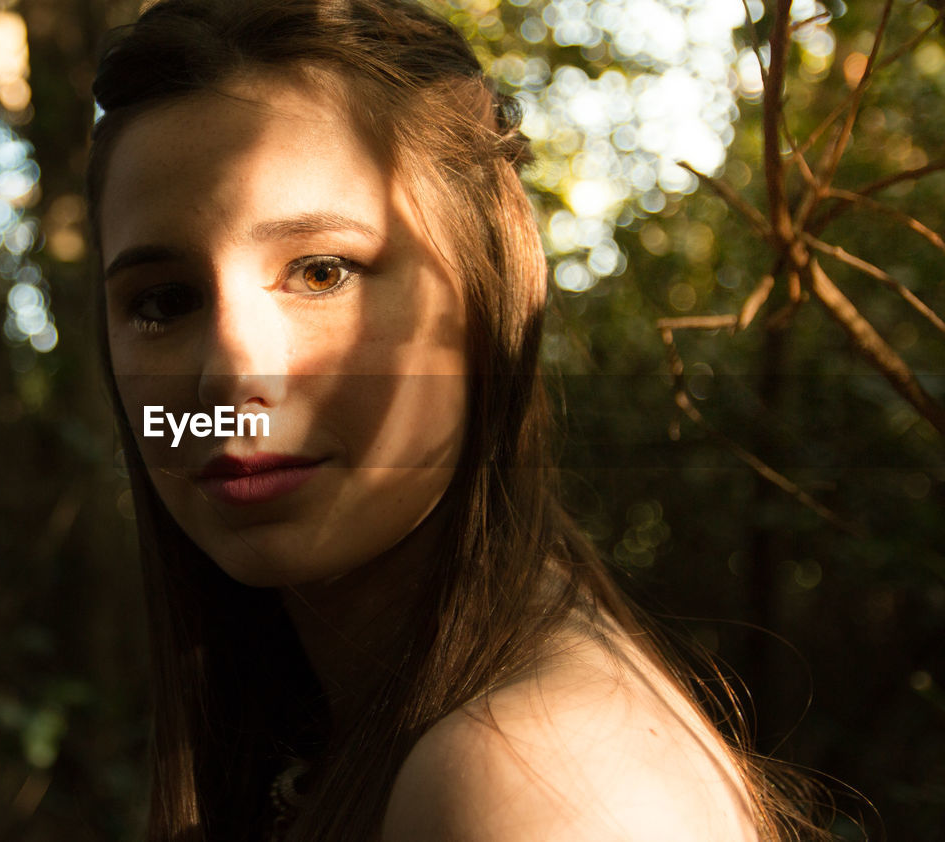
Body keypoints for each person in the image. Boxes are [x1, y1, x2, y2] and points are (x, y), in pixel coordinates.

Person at [85, 1, 829, 839]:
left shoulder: (541, 784)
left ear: (491, 297)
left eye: (324, 271)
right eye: (163, 302)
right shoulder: (341, 725)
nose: (231, 377)